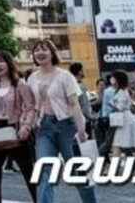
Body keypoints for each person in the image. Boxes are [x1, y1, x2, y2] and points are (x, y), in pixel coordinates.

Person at [28, 39, 97, 203]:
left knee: (78, 172)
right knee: (44, 170)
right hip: (44, 127)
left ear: (52, 53)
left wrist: (81, 130)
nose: (40, 53)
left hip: (67, 126)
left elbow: (74, 104)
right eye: (37, 50)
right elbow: (33, 105)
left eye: (44, 49)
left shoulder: (65, 76)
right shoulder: (32, 78)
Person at [0, 51, 36, 203]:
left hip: (17, 129)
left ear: (9, 63)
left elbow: (30, 107)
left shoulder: (20, 84)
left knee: (29, 172)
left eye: (1, 61)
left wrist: (26, 127)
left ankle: (41, 200)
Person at [109, 71, 135, 163]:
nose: (111, 79)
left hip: (125, 121)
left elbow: (120, 108)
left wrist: (112, 104)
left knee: (117, 146)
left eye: (113, 77)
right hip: (125, 120)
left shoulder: (122, 92)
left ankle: (113, 171)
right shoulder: (120, 91)